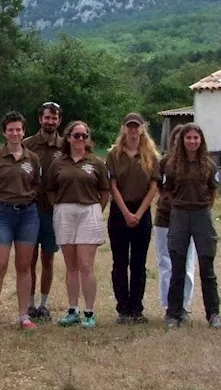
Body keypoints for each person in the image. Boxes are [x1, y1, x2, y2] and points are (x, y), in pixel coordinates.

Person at [45, 120, 110, 329]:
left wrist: (96, 209)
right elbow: (50, 189)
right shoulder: (58, 162)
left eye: (84, 135)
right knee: (70, 265)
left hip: (88, 210)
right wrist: (58, 206)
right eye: (76, 135)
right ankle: (72, 310)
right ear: (69, 137)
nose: (80, 139)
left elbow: (105, 191)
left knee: (86, 265)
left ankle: (89, 311)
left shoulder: (96, 162)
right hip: (64, 210)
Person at [0, 111, 42, 333]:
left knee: (24, 266)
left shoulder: (32, 158)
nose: (15, 133)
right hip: (2, 215)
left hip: (27, 215)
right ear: (5, 132)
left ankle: (24, 316)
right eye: (11, 129)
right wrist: (0, 205)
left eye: (19, 129)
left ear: (24, 132)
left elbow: (36, 184)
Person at [161, 123, 221, 329]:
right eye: (189, 138)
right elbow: (166, 191)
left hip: (202, 215)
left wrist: (202, 207)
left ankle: (213, 314)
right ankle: (174, 313)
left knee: (207, 267)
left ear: (201, 141)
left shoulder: (209, 165)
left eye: (196, 138)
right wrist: (179, 205)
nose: (192, 141)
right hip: (179, 215)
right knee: (177, 266)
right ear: (182, 140)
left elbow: (213, 190)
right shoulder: (172, 165)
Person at [106, 113, 160, 324]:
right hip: (120, 211)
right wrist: (126, 213)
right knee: (119, 262)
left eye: (136, 127)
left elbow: (154, 186)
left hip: (142, 210)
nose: (133, 130)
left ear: (142, 128)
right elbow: (112, 186)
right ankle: (123, 308)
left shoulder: (151, 155)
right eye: (129, 126)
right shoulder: (114, 155)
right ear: (124, 128)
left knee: (138, 263)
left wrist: (138, 213)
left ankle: (136, 308)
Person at [22, 101, 64, 322]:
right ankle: (29, 305)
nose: (51, 122)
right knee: (29, 260)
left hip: (53, 211)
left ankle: (43, 304)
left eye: (55, 118)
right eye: (47, 117)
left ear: (59, 121)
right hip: (29, 210)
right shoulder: (27, 144)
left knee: (48, 259)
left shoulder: (65, 146)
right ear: (40, 119)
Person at [154, 126, 198, 320]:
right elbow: (159, 188)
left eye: (189, 137)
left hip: (189, 219)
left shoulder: (198, 162)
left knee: (187, 263)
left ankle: (184, 305)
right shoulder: (165, 163)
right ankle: (169, 305)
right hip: (165, 218)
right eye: (181, 138)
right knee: (166, 262)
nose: (185, 141)